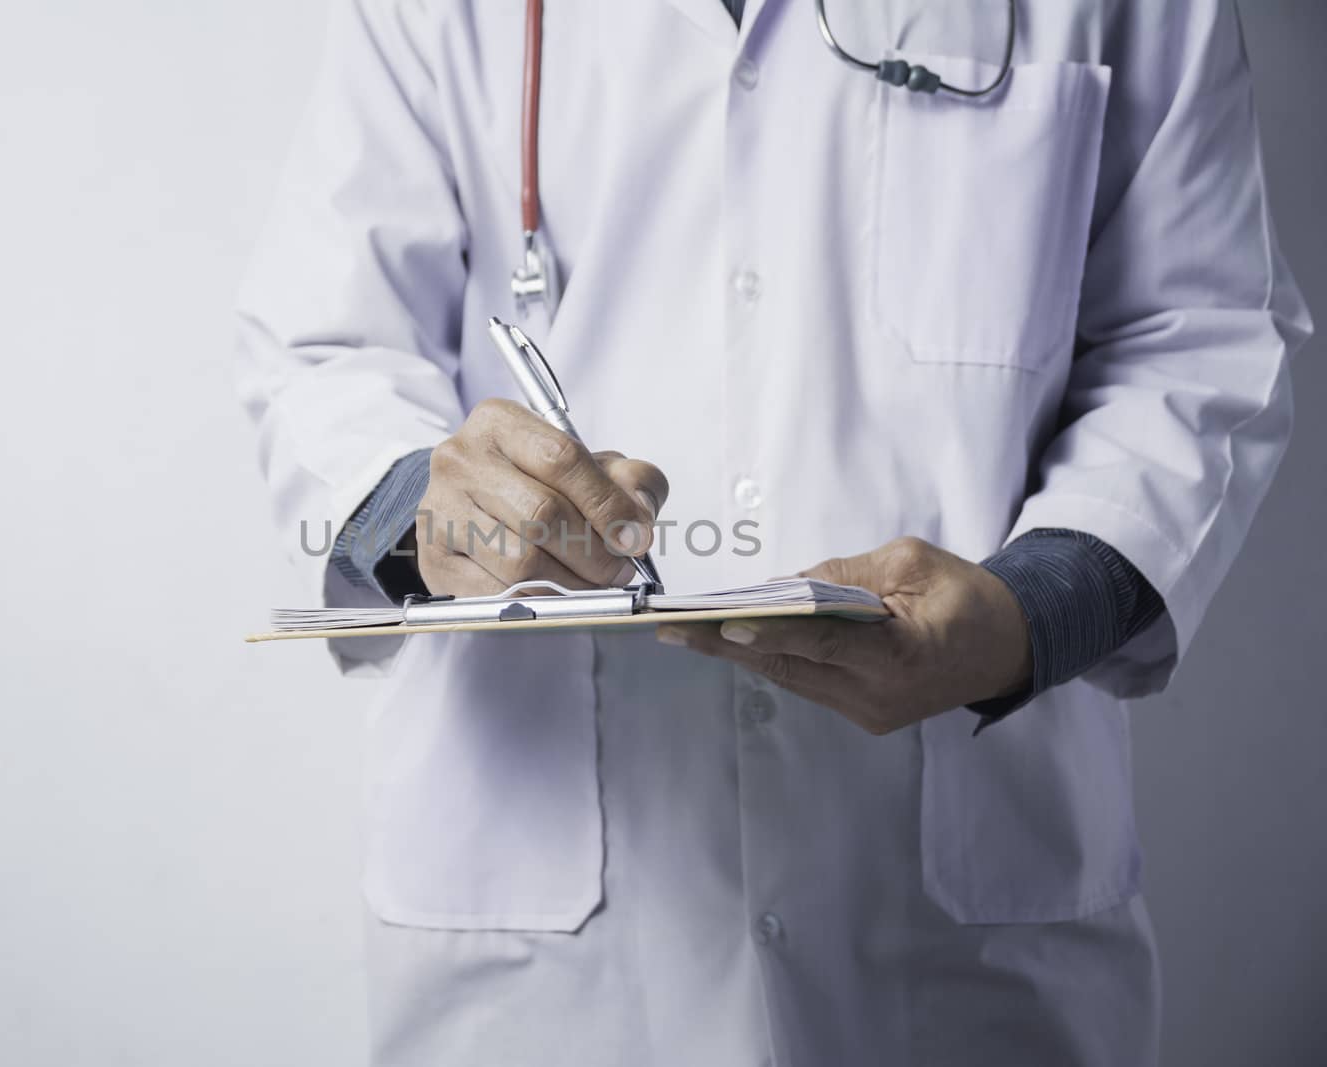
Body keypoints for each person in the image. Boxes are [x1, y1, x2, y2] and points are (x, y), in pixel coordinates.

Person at [236, 1, 1311, 1063]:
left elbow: (1197, 336)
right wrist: (427, 508)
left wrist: (1039, 603)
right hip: (543, 949)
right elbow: (321, 350)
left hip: (960, 933)